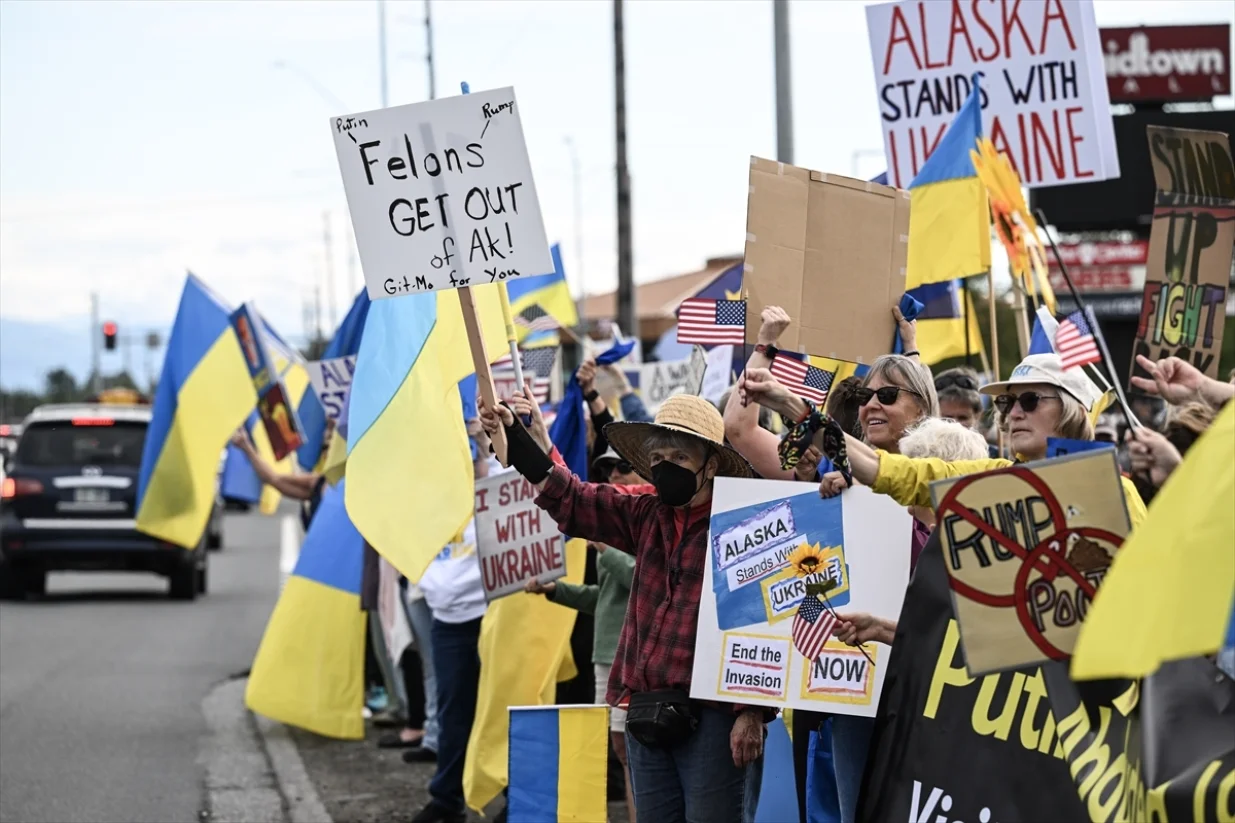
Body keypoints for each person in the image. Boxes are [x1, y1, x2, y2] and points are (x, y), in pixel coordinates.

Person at [480, 393, 769, 823]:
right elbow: (573, 499)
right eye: (659, 456)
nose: (666, 464)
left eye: (680, 456)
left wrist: (753, 712)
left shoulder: (746, 525)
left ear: (710, 464)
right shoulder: (644, 512)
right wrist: (517, 438)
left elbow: (762, 622)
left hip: (715, 717)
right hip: (646, 707)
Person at [741, 352, 1148, 529]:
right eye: (1007, 403)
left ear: (1072, 411)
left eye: (1028, 399)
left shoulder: (1115, 491)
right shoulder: (995, 477)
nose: (1014, 412)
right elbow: (901, 474)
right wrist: (795, 406)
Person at [409, 423, 495, 823]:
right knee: (453, 712)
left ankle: (517, 797)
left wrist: (482, 437)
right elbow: (417, 548)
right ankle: (446, 799)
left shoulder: (499, 483)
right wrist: (434, 589)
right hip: (449, 620)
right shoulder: (432, 496)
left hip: (497, 613)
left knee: (504, 705)